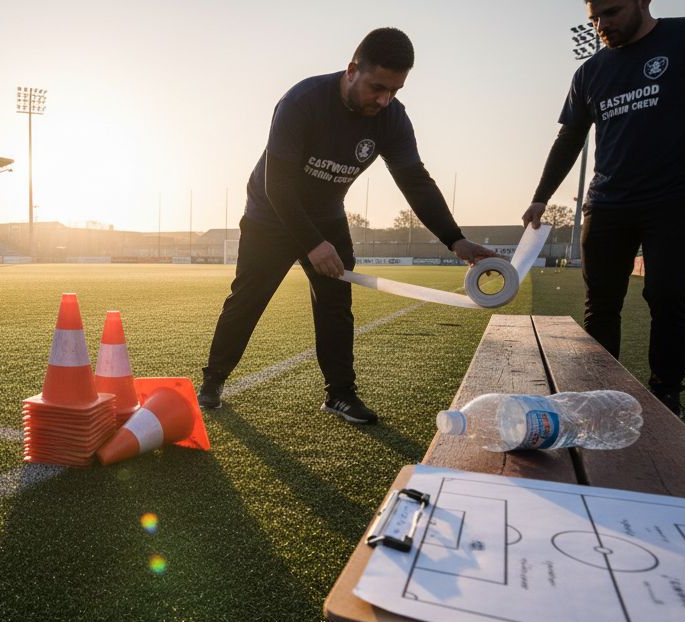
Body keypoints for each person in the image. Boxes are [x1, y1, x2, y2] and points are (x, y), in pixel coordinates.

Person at [198, 28, 496, 423]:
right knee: (248, 300)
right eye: (377, 87)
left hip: (327, 215)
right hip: (271, 213)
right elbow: (278, 184)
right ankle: (212, 382)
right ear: (352, 69)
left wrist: (455, 240)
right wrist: (312, 244)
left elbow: (415, 180)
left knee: (336, 307)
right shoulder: (302, 101)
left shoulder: (392, 117)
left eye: (395, 90)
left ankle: (340, 395)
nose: (385, 99)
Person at [523, 0, 685, 416]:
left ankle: (666, 394)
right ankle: (599, 393)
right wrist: (541, 196)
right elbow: (569, 140)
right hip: (607, 202)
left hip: (675, 197)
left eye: (611, 13)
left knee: (669, 295)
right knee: (601, 301)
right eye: (593, 18)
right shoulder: (590, 72)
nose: (601, 25)